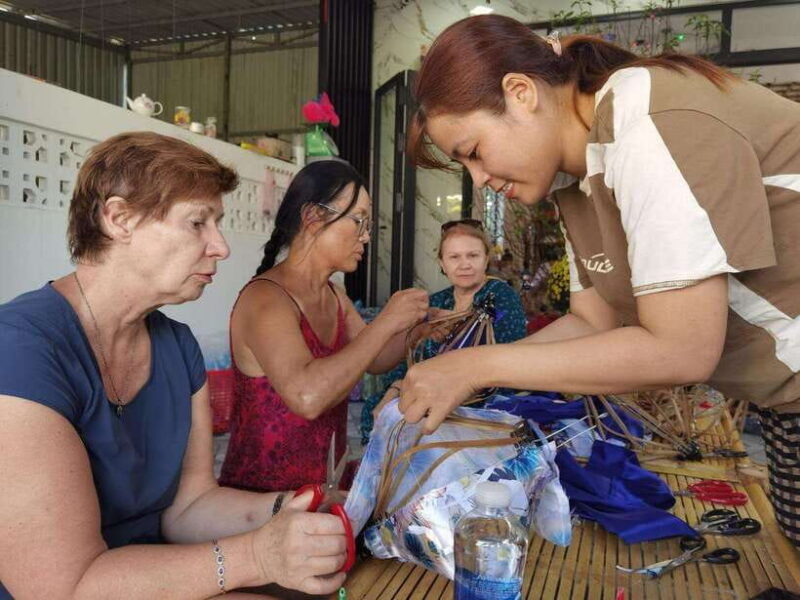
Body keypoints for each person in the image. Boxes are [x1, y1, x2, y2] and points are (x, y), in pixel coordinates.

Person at [398, 14, 800, 547]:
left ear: (520, 93)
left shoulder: (648, 123)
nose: (481, 180)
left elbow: (681, 349)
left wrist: (475, 365)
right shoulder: (580, 176)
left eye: (473, 152)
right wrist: (464, 383)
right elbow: (592, 320)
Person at [0, 132, 348, 599]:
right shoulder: (21, 350)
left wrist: (295, 506)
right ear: (119, 219)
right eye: (197, 223)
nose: (220, 246)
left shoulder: (175, 346)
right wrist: (256, 556)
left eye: (217, 223)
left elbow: (189, 507)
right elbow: (62, 588)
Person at [219, 160, 429, 492]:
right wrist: (386, 320)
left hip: (323, 487)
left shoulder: (334, 295)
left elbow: (374, 358)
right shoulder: (266, 299)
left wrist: (419, 329)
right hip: (264, 501)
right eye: (359, 221)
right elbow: (307, 396)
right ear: (313, 217)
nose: (366, 236)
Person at [360, 218, 526, 442]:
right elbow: (409, 356)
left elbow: (506, 356)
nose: (464, 264)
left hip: (482, 397)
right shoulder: (438, 302)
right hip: (430, 391)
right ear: (442, 263)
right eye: (454, 257)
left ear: (486, 258)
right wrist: (395, 389)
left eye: (473, 256)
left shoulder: (500, 297)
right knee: (378, 409)